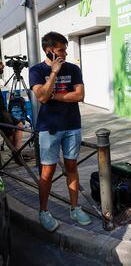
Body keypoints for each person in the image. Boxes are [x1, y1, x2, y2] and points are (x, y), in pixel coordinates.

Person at [29, 31, 91, 232]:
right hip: (49, 128)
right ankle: (44, 211)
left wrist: (54, 94)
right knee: (47, 172)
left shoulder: (73, 69)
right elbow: (41, 97)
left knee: (72, 167)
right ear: (49, 51)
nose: (64, 53)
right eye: (60, 50)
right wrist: (54, 73)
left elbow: (80, 95)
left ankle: (74, 207)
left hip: (72, 125)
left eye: (65, 49)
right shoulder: (36, 71)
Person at [0, 61, 23, 151]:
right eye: (0, 64)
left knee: (18, 125)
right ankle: (17, 154)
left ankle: (17, 153)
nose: (3, 66)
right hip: (1, 113)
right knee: (10, 133)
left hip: (3, 111)